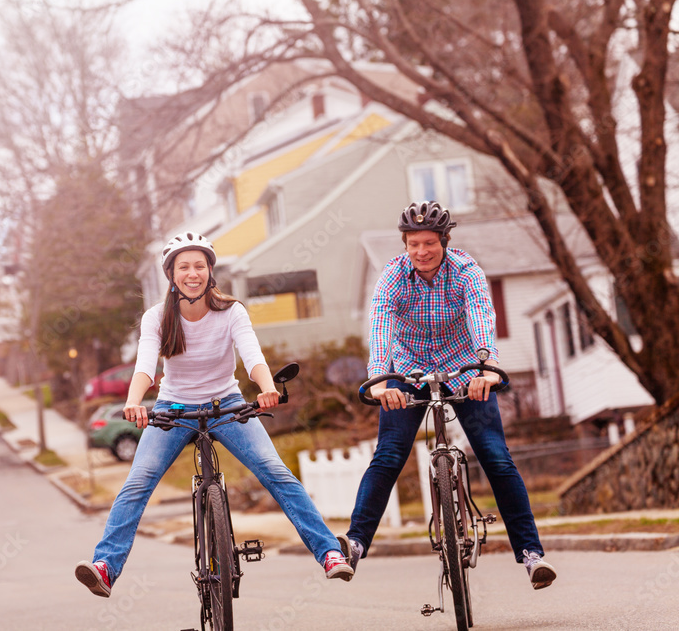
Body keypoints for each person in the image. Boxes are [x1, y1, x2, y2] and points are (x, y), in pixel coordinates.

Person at [76, 231, 353, 597]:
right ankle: (105, 568)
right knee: (137, 482)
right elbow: (145, 363)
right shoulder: (157, 318)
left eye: (199, 265)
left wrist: (267, 387)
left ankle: (330, 553)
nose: (193, 273)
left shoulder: (231, 311)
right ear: (172, 275)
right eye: (183, 267)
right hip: (172, 409)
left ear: (210, 270)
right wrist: (133, 400)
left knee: (275, 472)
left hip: (227, 405)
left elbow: (252, 354)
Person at [338, 201, 557, 590]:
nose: (421, 251)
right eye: (413, 244)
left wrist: (486, 367)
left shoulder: (466, 271)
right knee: (388, 455)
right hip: (406, 369)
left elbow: (481, 316)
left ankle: (531, 555)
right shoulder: (392, 276)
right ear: (404, 244)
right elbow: (381, 325)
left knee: (496, 457)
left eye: (429, 243)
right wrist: (379, 380)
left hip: (463, 369)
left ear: (444, 240)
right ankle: (354, 545)